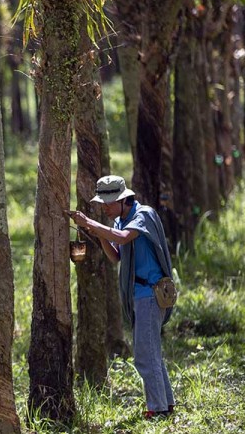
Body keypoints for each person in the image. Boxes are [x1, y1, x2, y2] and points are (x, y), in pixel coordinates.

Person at [67, 175, 175, 420]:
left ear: (122, 199)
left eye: (107, 203)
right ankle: (165, 404)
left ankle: (157, 409)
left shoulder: (142, 215)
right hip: (139, 295)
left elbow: (125, 238)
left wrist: (93, 224)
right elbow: (116, 256)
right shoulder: (119, 220)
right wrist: (98, 232)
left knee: (145, 356)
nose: (104, 207)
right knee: (152, 353)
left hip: (150, 294)